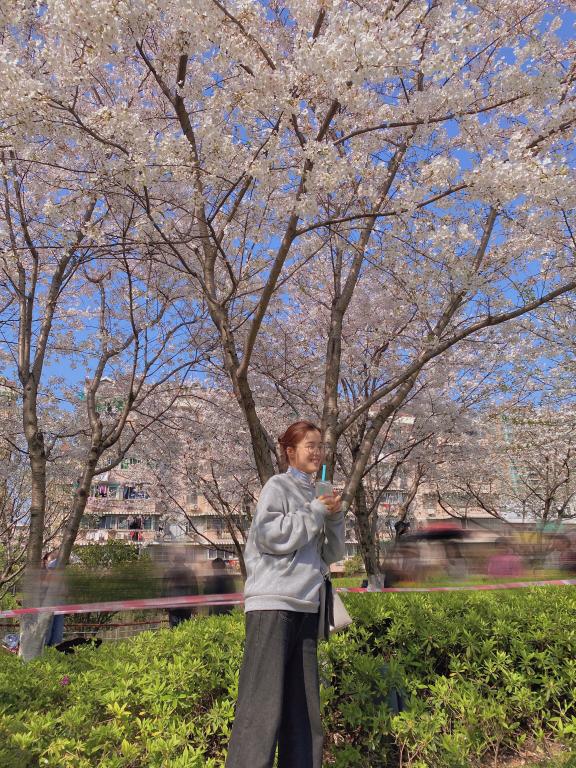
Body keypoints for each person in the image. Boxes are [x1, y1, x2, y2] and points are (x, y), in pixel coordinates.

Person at [225, 420, 345, 768]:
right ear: (290, 452)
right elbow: (268, 536)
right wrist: (315, 511)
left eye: (320, 446)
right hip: (273, 604)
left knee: (303, 711)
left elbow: (330, 554)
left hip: (307, 605)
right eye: (310, 445)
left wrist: (335, 517)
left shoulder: (315, 493)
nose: (317, 452)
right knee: (260, 707)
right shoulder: (277, 486)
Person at [163, 551, 199, 628]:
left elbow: (164, 589)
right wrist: (194, 605)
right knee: (186, 627)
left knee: (174, 628)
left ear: (175, 561)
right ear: (184, 560)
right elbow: (195, 589)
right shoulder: (190, 572)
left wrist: (164, 604)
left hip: (173, 604)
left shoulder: (169, 572)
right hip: (187, 604)